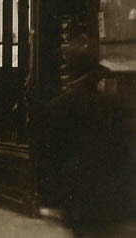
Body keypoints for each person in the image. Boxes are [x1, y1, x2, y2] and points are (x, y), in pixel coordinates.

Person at [44, 38, 132, 234]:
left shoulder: (61, 105)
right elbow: (123, 149)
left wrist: (54, 196)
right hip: (106, 189)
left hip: (77, 189)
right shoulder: (110, 104)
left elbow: (54, 153)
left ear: (71, 71)